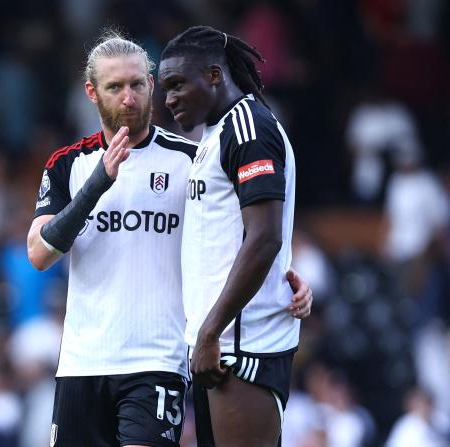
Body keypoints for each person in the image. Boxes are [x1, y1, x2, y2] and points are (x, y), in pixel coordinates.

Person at [27, 30, 312, 447]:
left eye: (139, 84)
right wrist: (97, 185)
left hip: (159, 361)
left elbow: (243, 229)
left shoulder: (190, 159)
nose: (130, 97)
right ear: (91, 92)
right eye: (115, 87)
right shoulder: (68, 165)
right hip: (82, 363)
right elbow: (38, 253)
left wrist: (286, 276)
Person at [158, 26, 300, 447]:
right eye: (165, 88)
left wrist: (209, 332)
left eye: (178, 84)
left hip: (243, 347)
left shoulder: (249, 127)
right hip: (219, 346)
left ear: (215, 75)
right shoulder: (212, 135)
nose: (168, 99)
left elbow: (264, 238)